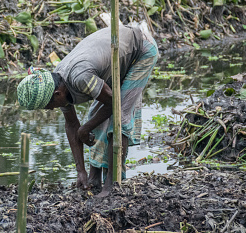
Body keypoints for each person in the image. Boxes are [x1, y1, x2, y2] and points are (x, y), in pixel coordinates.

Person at [17, 23, 158, 196]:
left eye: (49, 106)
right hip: (114, 56)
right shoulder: (57, 80)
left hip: (140, 50)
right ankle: (93, 177)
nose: (51, 110)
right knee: (94, 116)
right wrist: (80, 171)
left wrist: (86, 129)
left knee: (119, 119)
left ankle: (111, 184)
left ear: (57, 94)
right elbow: (72, 125)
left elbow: (113, 103)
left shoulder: (80, 77)